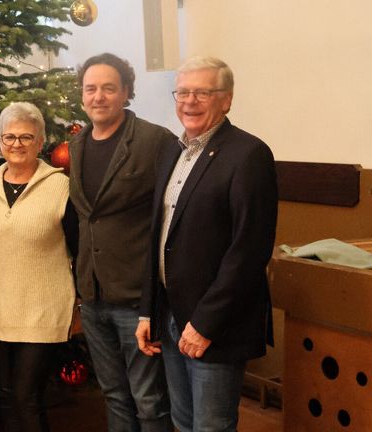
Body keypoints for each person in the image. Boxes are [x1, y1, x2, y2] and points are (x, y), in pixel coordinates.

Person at [136, 56, 278, 432]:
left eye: (202, 92)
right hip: (170, 316)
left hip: (215, 325)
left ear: (226, 100)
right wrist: (148, 312)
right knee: (183, 423)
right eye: (182, 92)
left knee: (211, 426)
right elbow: (158, 235)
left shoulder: (248, 155)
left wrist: (204, 323)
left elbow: (249, 251)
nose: (190, 101)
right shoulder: (172, 151)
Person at [68, 53, 174, 431]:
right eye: (90, 89)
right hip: (94, 297)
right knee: (113, 394)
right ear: (82, 95)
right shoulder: (77, 145)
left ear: (126, 92)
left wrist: (153, 300)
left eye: (108, 88)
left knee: (149, 400)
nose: (98, 96)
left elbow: (172, 217)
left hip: (136, 298)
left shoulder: (155, 141)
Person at [0, 102, 78, 432]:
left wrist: (79, 307)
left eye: (26, 137)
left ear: (41, 141)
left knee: (26, 397)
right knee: (6, 397)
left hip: (43, 311)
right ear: (0, 141)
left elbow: (81, 251)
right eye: (10, 136)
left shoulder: (61, 187)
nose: (17, 144)